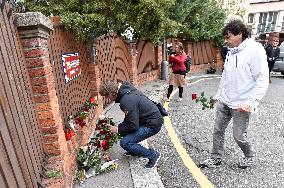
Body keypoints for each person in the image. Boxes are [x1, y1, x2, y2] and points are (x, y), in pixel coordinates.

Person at [199, 20, 269, 169]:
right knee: (217, 130)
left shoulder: (255, 50)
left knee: (239, 136)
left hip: (241, 104)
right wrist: (218, 95)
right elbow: (226, 76)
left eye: (228, 37)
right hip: (225, 100)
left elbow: (262, 79)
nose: (226, 41)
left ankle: (249, 155)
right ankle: (216, 157)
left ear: (240, 34)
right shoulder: (231, 50)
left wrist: (250, 103)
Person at [99, 80, 163, 169]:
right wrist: (119, 128)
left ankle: (153, 155)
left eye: (107, 96)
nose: (108, 98)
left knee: (125, 142)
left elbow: (133, 125)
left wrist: (117, 129)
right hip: (147, 120)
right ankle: (135, 151)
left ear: (111, 93)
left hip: (152, 125)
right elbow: (130, 119)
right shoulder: (126, 90)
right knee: (124, 131)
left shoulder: (126, 100)